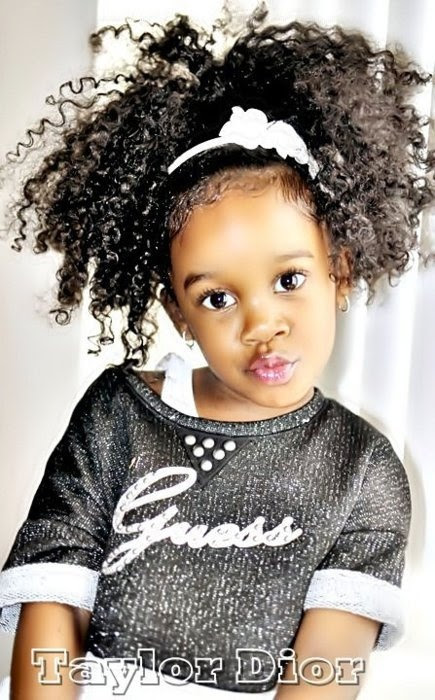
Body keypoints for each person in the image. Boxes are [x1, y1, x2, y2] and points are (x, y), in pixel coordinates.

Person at [0, 9, 434, 700]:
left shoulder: (362, 470)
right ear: (178, 312)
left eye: (288, 280)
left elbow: (325, 672)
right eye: (217, 298)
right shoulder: (119, 415)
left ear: (339, 273)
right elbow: (51, 608)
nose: (262, 325)